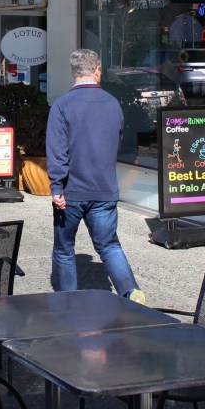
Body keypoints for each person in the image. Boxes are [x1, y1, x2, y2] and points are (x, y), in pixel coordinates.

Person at [45, 48, 145, 304]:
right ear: (97, 70)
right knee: (109, 245)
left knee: (65, 250)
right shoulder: (112, 103)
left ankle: (68, 302)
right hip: (104, 188)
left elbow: (57, 151)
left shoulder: (62, 105)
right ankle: (130, 291)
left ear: (73, 73)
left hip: (71, 192)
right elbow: (118, 142)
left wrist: (56, 186)